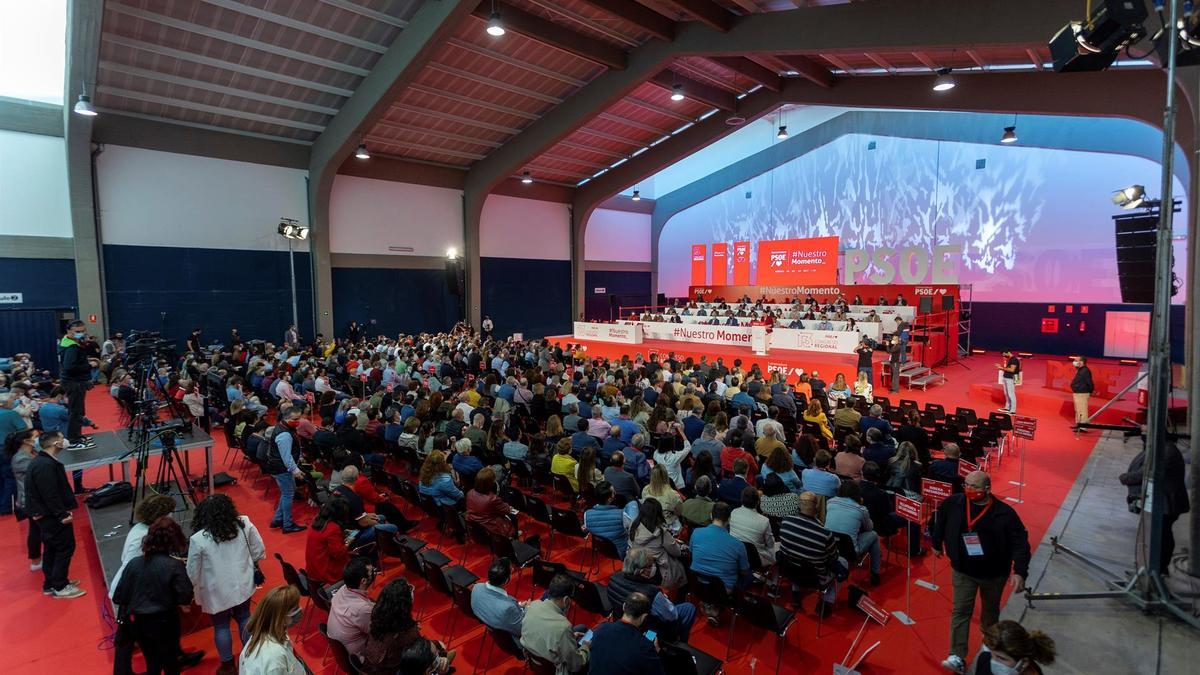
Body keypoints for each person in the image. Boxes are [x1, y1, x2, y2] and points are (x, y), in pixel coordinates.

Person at [933, 471, 1031, 673]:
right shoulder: (954, 503)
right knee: (961, 611)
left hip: (994, 574)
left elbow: (1020, 543)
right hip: (963, 570)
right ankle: (957, 655)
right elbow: (940, 520)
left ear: (987, 489)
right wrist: (936, 542)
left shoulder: (1005, 514)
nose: (968, 489)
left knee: (990, 613)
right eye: (966, 484)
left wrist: (1020, 571)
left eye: (974, 486)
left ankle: (990, 649)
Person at [186, 494, 266, 674]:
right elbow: (258, 549)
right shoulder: (243, 523)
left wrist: (192, 589)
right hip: (243, 584)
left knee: (221, 626)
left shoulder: (198, 539)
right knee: (245, 617)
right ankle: (251, 656)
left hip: (216, 592)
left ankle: (228, 665)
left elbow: (192, 571)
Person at [112, 517, 195, 675]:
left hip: (138, 623)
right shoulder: (173, 565)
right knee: (170, 663)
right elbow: (185, 594)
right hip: (164, 621)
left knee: (152, 662)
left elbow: (119, 596)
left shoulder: (133, 564)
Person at [25, 430, 83, 598]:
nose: (64, 440)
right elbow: (50, 494)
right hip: (51, 516)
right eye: (61, 438)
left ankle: (51, 583)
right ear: (55, 443)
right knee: (65, 547)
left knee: (52, 548)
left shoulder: (44, 462)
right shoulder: (45, 465)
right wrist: (62, 515)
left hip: (46, 515)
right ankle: (60, 585)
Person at [360, 579, 453, 675]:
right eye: (410, 590)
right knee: (439, 647)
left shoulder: (378, 617)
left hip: (370, 668)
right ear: (404, 604)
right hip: (393, 670)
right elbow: (420, 651)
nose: (412, 590)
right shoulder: (406, 632)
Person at [605, 548, 697, 643]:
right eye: (651, 565)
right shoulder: (651, 593)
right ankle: (679, 642)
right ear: (642, 572)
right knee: (689, 608)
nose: (654, 567)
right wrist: (664, 600)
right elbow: (672, 616)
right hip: (649, 633)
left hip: (625, 623)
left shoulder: (613, 578)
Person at [779, 492, 843, 618]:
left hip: (789, 571)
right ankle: (825, 603)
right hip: (815, 578)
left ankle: (796, 596)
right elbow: (834, 558)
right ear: (817, 508)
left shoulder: (786, 522)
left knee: (797, 560)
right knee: (843, 562)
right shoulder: (824, 533)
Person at [520, 574, 590, 674]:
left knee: (581, 628)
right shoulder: (563, 627)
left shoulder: (533, 606)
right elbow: (576, 665)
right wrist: (585, 647)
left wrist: (569, 638)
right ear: (566, 600)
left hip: (536, 661)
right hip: (557, 670)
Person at [587, 593, 666, 675]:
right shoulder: (644, 646)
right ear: (644, 616)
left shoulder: (602, 628)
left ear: (624, 606)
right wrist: (658, 652)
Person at [238, 585, 306, 674]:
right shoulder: (274, 659)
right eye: (295, 609)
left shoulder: (266, 633)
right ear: (280, 617)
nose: (300, 610)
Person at [824, 480, 881, 586]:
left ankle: (874, 572)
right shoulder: (861, 509)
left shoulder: (830, 502)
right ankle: (875, 572)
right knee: (873, 535)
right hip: (850, 551)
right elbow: (869, 528)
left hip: (828, 546)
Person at [263, 406, 307, 533]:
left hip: (279, 467)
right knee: (288, 494)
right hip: (281, 468)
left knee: (288, 492)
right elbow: (286, 457)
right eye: (296, 418)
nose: (299, 420)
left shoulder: (283, 427)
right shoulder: (284, 434)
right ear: (286, 418)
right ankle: (287, 524)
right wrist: (296, 471)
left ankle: (278, 519)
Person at [629, 498, 688, 592]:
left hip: (640, 565)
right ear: (657, 514)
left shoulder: (634, 525)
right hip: (661, 570)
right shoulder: (660, 533)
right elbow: (676, 552)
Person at [471, 558, 526, 650]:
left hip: (494, 625)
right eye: (511, 569)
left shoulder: (476, 588)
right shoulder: (508, 608)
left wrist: (519, 606)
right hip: (516, 643)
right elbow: (524, 630)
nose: (512, 569)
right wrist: (528, 609)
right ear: (505, 580)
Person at [328, 557, 378, 657]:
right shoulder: (362, 609)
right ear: (363, 581)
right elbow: (379, 631)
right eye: (372, 571)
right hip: (360, 657)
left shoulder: (343, 589)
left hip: (341, 651)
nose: (374, 573)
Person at [57, 320, 95, 452]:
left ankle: (77, 436)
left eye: (83, 331)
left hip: (76, 382)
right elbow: (69, 367)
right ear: (69, 331)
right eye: (78, 332)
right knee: (75, 412)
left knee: (78, 411)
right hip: (74, 383)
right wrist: (90, 366)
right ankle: (73, 440)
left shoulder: (71, 343)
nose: (81, 333)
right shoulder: (71, 347)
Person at [972, 620, 1056, 675]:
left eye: (1001, 658)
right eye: (992, 653)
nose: (993, 662)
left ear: (1024, 663)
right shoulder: (984, 660)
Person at [305, 497, 353, 587]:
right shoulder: (333, 528)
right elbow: (338, 554)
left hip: (313, 569)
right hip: (326, 572)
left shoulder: (316, 521)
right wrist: (348, 542)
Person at [730, 487, 777, 566]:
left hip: (734, 554)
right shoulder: (764, 521)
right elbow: (770, 544)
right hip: (755, 559)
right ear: (758, 502)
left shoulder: (733, 512)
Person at [466, 467, 518, 538]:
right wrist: (508, 507)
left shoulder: (470, 492)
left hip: (474, 524)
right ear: (490, 483)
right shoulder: (492, 499)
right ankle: (514, 536)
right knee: (513, 517)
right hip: (489, 527)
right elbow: (505, 510)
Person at [584, 481, 629, 557]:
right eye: (614, 493)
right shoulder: (622, 514)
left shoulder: (587, 514)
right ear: (609, 499)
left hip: (599, 550)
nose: (615, 493)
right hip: (620, 552)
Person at [641, 464, 683, 532]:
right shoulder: (673, 494)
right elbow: (680, 512)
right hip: (667, 526)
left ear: (652, 476)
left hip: (649, 523)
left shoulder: (645, 490)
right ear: (666, 475)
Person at [1069, 356, 1094, 429]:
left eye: (1076, 360)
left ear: (1082, 362)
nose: (1074, 362)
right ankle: (1078, 425)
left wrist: (1090, 391)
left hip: (1082, 393)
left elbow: (1089, 382)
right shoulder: (1080, 369)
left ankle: (1083, 427)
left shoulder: (1085, 370)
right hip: (1077, 393)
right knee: (1078, 410)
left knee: (1082, 411)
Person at [997, 349, 1020, 414]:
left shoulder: (1014, 359)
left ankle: (1012, 411)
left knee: (1011, 394)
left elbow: (1012, 370)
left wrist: (1001, 368)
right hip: (1007, 377)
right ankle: (1007, 408)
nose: (1004, 356)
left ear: (1008, 352)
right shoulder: (1010, 359)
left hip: (1010, 378)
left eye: (1004, 354)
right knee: (1006, 394)